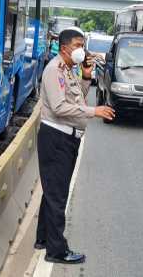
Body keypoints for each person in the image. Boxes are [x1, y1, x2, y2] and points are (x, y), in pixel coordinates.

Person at [36, 27, 115, 264]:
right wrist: (94, 111)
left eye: (83, 45)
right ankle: (56, 251)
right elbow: (60, 108)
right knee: (58, 195)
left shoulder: (68, 69)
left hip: (67, 138)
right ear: (64, 48)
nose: (82, 50)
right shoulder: (55, 71)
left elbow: (76, 97)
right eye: (78, 45)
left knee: (52, 191)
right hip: (57, 138)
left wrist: (86, 76)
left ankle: (43, 238)